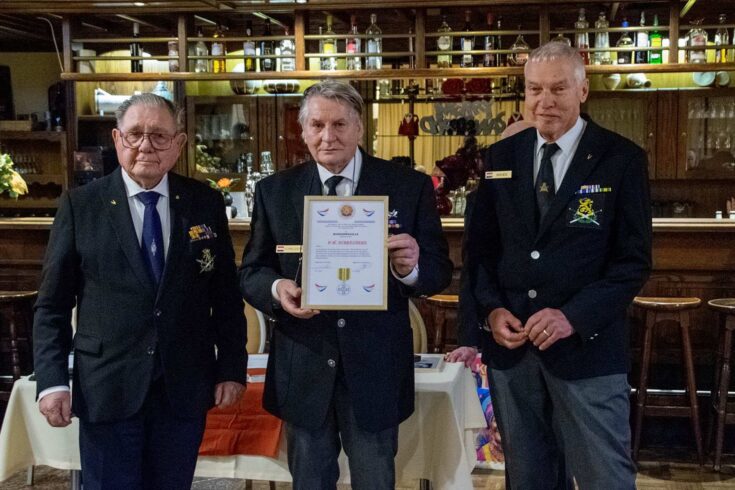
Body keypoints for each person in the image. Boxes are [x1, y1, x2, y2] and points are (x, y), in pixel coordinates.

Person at [239, 79, 452, 490]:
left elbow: (439, 270)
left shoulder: (407, 187)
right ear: (303, 131)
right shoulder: (275, 191)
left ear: (359, 127)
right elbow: (251, 271)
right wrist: (278, 290)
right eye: (317, 125)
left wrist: (410, 268)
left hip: (375, 369)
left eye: (339, 124)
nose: (327, 136)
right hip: (304, 368)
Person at [33, 93, 247, 490]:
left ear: (179, 143)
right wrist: (52, 380)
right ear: (117, 139)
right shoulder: (82, 206)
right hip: (107, 387)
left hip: (182, 386)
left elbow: (225, 297)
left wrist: (232, 368)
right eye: (135, 134)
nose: (146, 145)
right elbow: (52, 306)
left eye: (159, 136)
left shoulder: (203, 202)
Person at [462, 42, 652, 489]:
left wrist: (573, 317)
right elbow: (480, 252)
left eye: (558, 89)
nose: (544, 101)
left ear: (583, 91)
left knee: (605, 478)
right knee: (529, 479)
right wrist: (491, 310)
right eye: (535, 89)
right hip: (514, 355)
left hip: (588, 353)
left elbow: (633, 262)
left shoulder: (621, 158)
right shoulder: (501, 157)